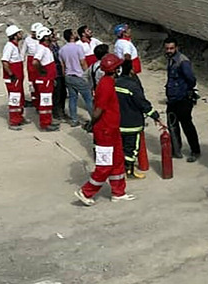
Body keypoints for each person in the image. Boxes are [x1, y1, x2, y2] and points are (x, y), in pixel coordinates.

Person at [74, 54, 136, 206]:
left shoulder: (108, 82)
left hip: (112, 129)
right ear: (116, 69)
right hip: (105, 132)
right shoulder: (106, 85)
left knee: (117, 161)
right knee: (105, 165)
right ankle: (86, 192)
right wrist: (92, 124)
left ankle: (118, 192)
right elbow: (98, 110)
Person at [116, 59, 164, 179]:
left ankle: (120, 168)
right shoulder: (133, 86)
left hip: (118, 123)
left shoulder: (114, 83)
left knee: (120, 147)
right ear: (131, 70)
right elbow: (143, 104)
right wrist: (156, 117)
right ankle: (129, 171)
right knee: (131, 150)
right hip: (132, 124)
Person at [164, 36, 201, 162]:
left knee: (187, 125)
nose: (169, 50)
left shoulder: (182, 61)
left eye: (171, 48)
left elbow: (191, 79)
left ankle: (195, 151)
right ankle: (176, 150)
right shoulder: (170, 60)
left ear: (177, 48)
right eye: (167, 48)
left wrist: (186, 92)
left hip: (183, 99)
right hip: (172, 99)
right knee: (172, 124)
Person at [59, 29, 94, 127]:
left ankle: (74, 119)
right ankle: (94, 118)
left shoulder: (62, 50)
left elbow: (63, 65)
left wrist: (65, 77)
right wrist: (88, 75)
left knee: (72, 98)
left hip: (68, 76)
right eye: (74, 33)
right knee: (88, 99)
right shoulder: (78, 48)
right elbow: (83, 63)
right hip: (79, 76)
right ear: (72, 36)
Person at [1, 25, 29, 130]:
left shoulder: (14, 46)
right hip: (13, 79)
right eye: (19, 33)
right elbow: (5, 61)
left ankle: (19, 117)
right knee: (14, 99)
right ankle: (14, 121)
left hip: (18, 78)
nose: (21, 35)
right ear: (15, 35)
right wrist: (11, 74)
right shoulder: (9, 46)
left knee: (20, 98)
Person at [32, 27, 60, 132]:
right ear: (45, 37)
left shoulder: (45, 48)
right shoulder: (41, 48)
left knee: (48, 102)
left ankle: (48, 121)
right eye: (49, 35)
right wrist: (42, 72)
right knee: (45, 102)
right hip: (45, 81)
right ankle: (45, 124)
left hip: (48, 80)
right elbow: (35, 62)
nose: (51, 37)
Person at [23, 22, 42, 108]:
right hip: (31, 62)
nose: (32, 34)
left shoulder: (43, 39)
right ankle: (35, 101)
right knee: (32, 82)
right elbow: (23, 52)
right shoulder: (28, 39)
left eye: (34, 32)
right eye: (32, 32)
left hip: (41, 61)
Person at [50, 29, 67, 122]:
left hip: (61, 72)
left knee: (63, 93)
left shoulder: (57, 46)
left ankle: (62, 110)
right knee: (57, 94)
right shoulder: (49, 48)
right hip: (55, 73)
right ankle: (56, 113)